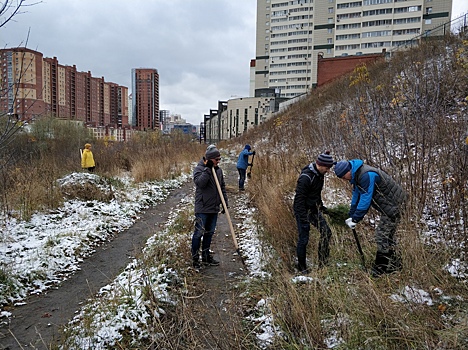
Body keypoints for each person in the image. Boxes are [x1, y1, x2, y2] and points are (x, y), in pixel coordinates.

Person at [334, 159, 407, 276]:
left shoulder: (366, 175)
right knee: (388, 236)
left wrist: (357, 218)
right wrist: (352, 214)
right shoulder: (357, 175)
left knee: (381, 236)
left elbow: (365, 198)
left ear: (348, 171)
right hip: (389, 206)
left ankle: (381, 268)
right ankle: (395, 264)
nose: (344, 179)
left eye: (343, 176)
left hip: (395, 205)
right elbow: (356, 194)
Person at [293, 151, 334, 273]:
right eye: (327, 168)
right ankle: (302, 267)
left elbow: (316, 193)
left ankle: (323, 262)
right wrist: (303, 218)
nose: (328, 171)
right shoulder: (306, 178)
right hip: (302, 210)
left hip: (313, 209)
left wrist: (321, 207)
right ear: (319, 165)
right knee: (304, 238)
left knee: (326, 232)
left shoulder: (320, 175)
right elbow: (299, 200)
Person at [191, 146, 228, 268]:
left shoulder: (219, 170)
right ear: (211, 159)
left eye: (219, 159)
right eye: (217, 159)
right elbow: (200, 183)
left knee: (209, 233)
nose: (219, 162)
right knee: (198, 233)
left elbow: (222, 187)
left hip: (214, 208)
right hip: (202, 207)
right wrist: (208, 169)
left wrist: (224, 202)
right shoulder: (199, 169)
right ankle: (195, 259)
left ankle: (206, 257)